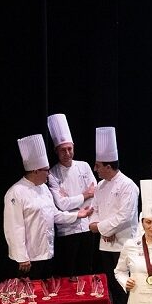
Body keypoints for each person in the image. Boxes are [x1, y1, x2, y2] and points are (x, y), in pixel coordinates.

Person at [4, 134, 91, 281]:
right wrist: (21, 257)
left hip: (48, 254)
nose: (49, 174)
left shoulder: (44, 189)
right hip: (29, 259)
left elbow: (54, 214)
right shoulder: (15, 192)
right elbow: (13, 227)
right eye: (46, 170)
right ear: (35, 171)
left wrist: (77, 215)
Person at [88, 127, 139, 304]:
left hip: (124, 244)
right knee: (112, 285)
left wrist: (101, 227)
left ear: (108, 166)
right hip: (105, 243)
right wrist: (99, 227)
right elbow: (95, 209)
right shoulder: (100, 185)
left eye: (98, 166)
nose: (95, 168)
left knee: (124, 286)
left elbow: (124, 216)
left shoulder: (128, 186)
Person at [46, 114, 98, 277]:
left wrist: (73, 199)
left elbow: (95, 192)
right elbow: (61, 204)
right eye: (63, 150)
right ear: (56, 151)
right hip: (67, 232)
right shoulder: (52, 174)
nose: (67, 153)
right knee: (67, 272)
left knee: (86, 271)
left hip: (87, 226)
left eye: (70, 148)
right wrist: (84, 195)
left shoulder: (84, 166)